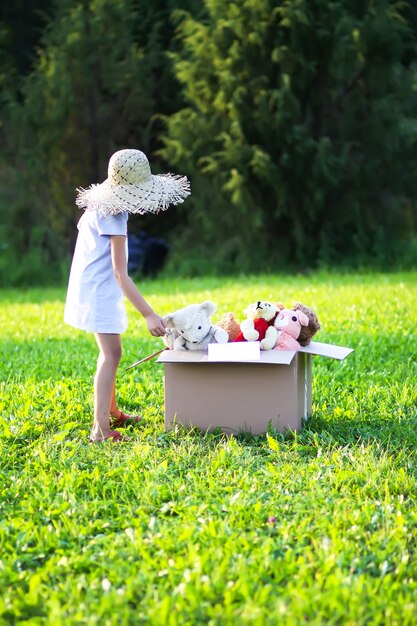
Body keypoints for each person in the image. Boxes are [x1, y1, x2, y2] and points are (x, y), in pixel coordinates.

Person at [64, 149, 191, 443]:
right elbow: (121, 274)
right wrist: (148, 314)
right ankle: (100, 429)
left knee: (111, 353)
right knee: (111, 354)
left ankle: (113, 412)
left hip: (92, 287)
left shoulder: (96, 209)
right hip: (100, 292)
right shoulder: (115, 215)